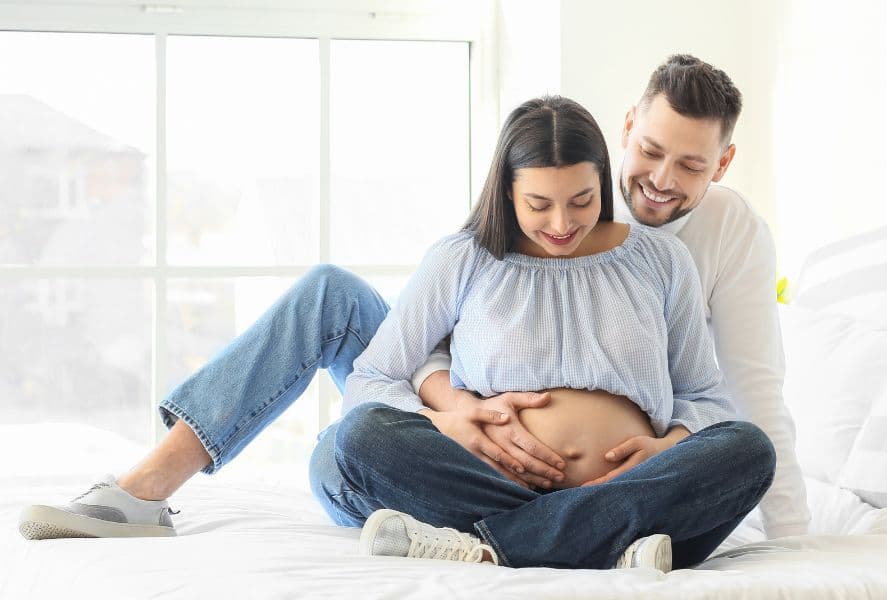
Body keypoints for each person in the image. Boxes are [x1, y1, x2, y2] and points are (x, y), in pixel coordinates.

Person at [19, 53, 799, 546]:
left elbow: (741, 392)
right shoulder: (482, 245)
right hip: (464, 431)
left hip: (603, 472)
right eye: (651, 153)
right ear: (626, 132)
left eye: (689, 167)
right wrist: (450, 408)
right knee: (346, 394)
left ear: (721, 165)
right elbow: (418, 353)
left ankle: (506, 540)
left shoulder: (692, 248)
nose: (659, 180)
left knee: (746, 451)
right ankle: (144, 490)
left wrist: (780, 526)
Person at [307, 94, 774, 571]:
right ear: (508, 192)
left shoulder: (663, 260)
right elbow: (371, 380)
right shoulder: (461, 259)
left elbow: (705, 398)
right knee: (362, 435)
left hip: (630, 491)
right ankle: (600, 544)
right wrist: (449, 422)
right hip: (499, 486)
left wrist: (666, 446)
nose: (562, 223)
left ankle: (489, 546)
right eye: (539, 204)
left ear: (601, 181)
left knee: (749, 450)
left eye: (581, 201)